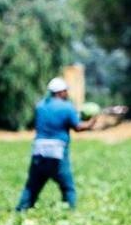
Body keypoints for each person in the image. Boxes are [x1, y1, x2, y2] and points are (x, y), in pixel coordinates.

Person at [16, 77, 95, 211]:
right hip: (57, 151)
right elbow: (78, 127)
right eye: (65, 91)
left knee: (32, 186)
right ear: (60, 92)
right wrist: (91, 123)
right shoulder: (67, 107)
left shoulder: (40, 106)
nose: (67, 93)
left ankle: (21, 210)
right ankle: (70, 212)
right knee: (68, 187)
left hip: (39, 150)